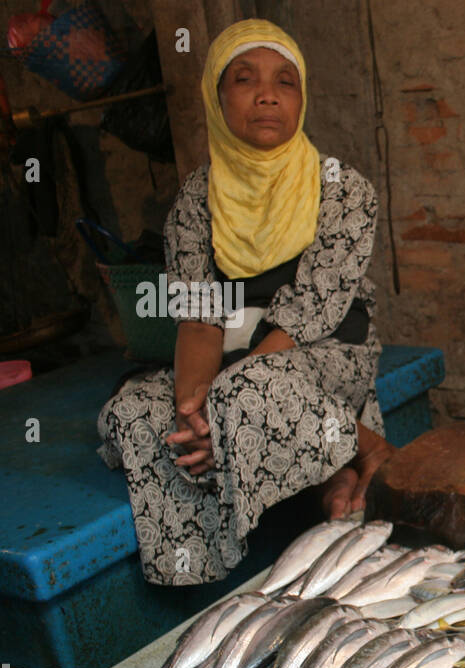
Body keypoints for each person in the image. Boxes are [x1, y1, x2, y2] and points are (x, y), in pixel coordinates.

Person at [97, 19, 393, 585]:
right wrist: (194, 413)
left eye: (285, 82)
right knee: (135, 416)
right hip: (235, 366)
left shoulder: (342, 188)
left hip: (322, 357)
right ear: (218, 97)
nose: (266, 94)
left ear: (300, 100)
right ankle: (205, 581)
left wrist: (223, 404)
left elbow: (309, 313)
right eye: (244, 79)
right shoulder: (193, 201)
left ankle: (362, 447)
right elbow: (199, 322)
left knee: (248, 391)